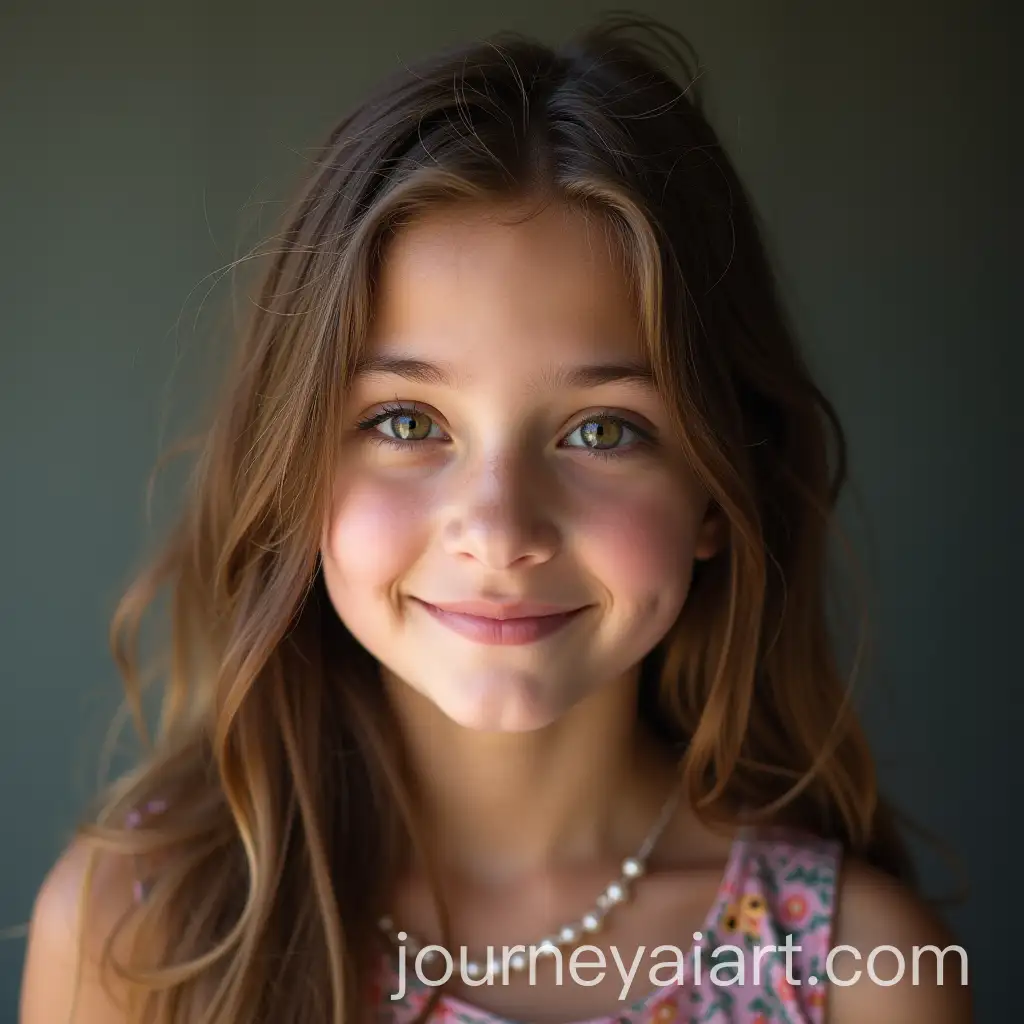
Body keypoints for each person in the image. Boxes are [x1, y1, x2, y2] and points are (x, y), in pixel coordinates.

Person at [19, 14, 971, 1024]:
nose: (499, 528)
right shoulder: (143, 928)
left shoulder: (859, 970)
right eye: (405, 419)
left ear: (718, 485)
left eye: (602, 430)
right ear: (293, 463)